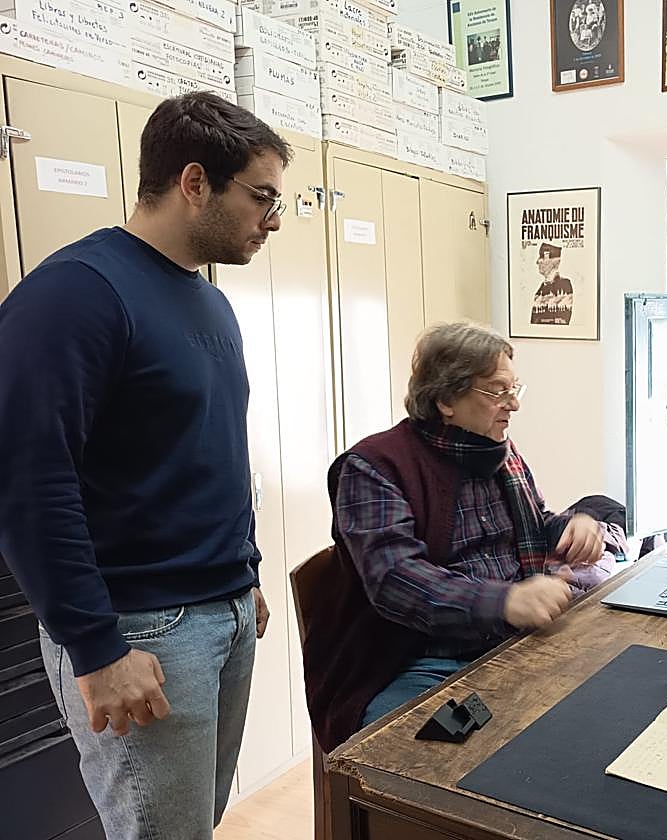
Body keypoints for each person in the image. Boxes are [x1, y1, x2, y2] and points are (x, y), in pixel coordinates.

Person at [0, 93, 290, 839]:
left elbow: (209, 452)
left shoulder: (207, 301)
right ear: (195, 182)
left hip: (222, 608)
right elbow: (28, 484)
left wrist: (243, 569)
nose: (274, 220)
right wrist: (97, 649)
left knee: (192, 826)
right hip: (141, 628)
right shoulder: (76, 294)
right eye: (262, 197)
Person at [302, 322, 604, 752]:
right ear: (445, 399)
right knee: (466, 762)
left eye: (514, 388)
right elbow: (396, 580)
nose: (514, 403)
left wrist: (574, 527)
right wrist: (505, 602)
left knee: (596, 713)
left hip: (505, 643)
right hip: (413, 661)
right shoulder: (373, 466)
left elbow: (535, 523)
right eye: (498, 391)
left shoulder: (497, 450)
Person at [530, 242, 575, 326]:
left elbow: (561, 320)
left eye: (542, 257)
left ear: (554, 261)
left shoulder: (564, 285)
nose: (538, 261)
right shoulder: (541, 289)